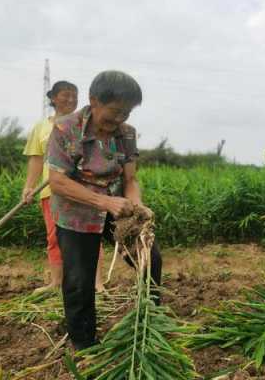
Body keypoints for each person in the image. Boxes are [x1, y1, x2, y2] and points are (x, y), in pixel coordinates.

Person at [47, 70, 162, 350]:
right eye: (115, 112)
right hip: (77, 216)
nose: (120, 119)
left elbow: (130, 179)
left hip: (117, 213)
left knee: (150, 260)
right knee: (78, 282)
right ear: (94, 100)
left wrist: (136, 206)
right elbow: (57, 181)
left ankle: (149, 322)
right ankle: (85, 344)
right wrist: (105, 203)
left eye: (127, 113)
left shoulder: (127, 134)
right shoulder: (65, 130)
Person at [22, 81, 106, 294]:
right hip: (51, 191)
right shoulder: (41, 127)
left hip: (83, 190)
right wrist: (29, 187)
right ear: (52, 98)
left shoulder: (85, 125)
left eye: (74, 95)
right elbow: (36, 160)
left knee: (90, 234)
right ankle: (56, 283)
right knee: (54, 237)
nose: (71, 99)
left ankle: (96, 283)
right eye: (65, 95)